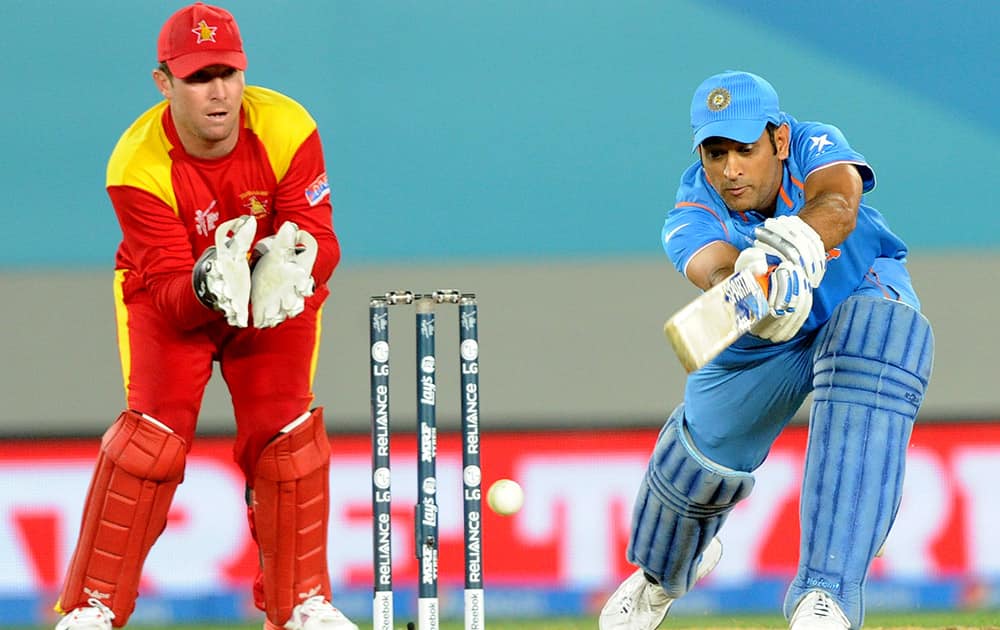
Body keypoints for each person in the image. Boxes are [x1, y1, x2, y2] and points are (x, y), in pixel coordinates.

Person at [53, 4, 357, 630]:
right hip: (174, 298)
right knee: (151, 444)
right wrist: (208, 285)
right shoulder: (134, 164)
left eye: (228, 72)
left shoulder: (287, 126)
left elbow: (325, 242)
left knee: (286, 437)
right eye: (198, 77)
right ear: (164, 82)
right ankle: (94, 607)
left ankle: (300, 605)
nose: (218, 92)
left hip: (270, 295)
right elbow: (166, 291)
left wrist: (293, 260)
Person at [599, 70, 934, 630]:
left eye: (745, 150)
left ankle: (825, 594)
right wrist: (755, 287)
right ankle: (662, 574)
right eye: (715, 152)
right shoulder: (690, 213)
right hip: (764, 329)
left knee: (878, 346)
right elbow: (714, 270)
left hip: (858, 289)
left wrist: (804, 237)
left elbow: (838, 199)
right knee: (698, 454)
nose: (730, 169)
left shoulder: (811, 143)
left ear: (777, 140)